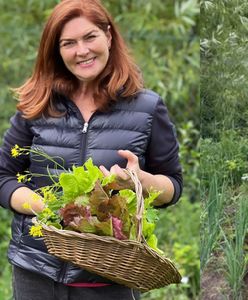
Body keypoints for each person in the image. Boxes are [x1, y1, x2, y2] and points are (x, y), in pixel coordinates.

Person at [0, 0, 183, 299]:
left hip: (109, 278)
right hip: (36, 273)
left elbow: (173, 186)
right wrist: (46, 209)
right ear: (57, 51)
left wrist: (140, 181)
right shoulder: (38, 105)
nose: (81, 51)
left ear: (108, 36)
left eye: (90, 37)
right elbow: (3, 176)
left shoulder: (147, 107)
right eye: (68, 43)